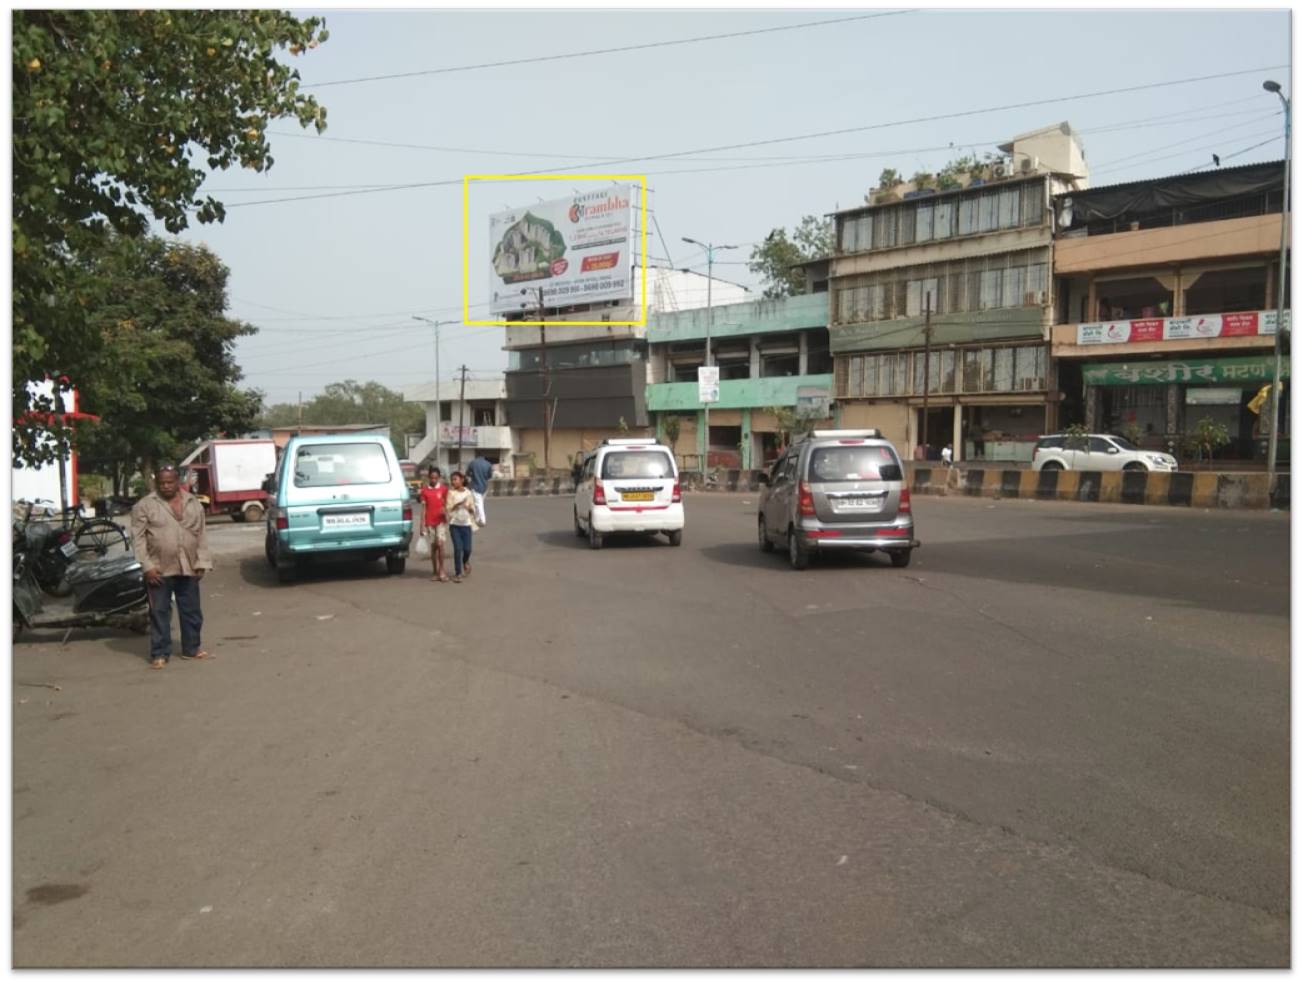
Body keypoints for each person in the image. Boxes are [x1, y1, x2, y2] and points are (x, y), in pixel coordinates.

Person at [130, 464, 213, 670]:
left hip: (188, 566)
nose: (166, 486)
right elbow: (138, 539)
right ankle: (160, 653)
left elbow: (200, 534)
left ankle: (192, 649)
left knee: (192, 610)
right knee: (159, 612)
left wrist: (202, 561)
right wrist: (147, 566)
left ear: (178, 481)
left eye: (170, 482)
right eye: (162, 483)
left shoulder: (193, 503)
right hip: (158, 568)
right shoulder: (145, 505)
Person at [418, 466, 450, 583]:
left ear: (439, 478)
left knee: (440, 544)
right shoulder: (425, 491)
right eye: (432, 478)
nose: (434, 480)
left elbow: (447, 504)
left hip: (440, 521)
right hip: (429, 522)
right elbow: (423, 509)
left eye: (436, 478)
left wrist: (446, 512)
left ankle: (442, 570)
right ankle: (435, 571)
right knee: (434, 547)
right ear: (428, 478)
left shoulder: (443, 489)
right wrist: (421, 525)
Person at [445, 471, 478, 583]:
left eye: (455, 479)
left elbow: (473, 509)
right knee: (458, 549)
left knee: (467, 549)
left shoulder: (468, 493)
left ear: (462, 480)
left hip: (466, 525)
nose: (453, 481)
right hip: (455, 525)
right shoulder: (451, 493)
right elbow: (448, 508)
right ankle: (458, 573)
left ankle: (465, 561)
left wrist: (467, 507)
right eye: (452, 479)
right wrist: (457, 505)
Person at [467, 453, 493, 527]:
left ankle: (482, 519)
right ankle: (477, 518)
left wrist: (472, 475)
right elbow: (489, 475)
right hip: (484, 486)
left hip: (475, 486)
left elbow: (468, 473)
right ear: (483, 457)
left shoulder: (473, 463)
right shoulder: (488, 464)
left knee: (478, 504)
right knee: (480, 503)